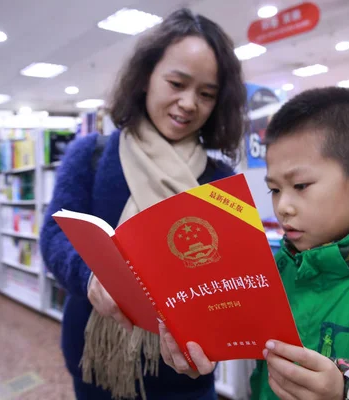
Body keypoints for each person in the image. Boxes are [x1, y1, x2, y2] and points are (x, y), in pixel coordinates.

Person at [160, 87, 349, 399]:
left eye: (300, 185)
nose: (283, 207)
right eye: (275, 189)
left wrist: (348, 392)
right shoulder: (280, 269)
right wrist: (201, 342)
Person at [39, 8, 246, 400]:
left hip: (186, 373)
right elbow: (54, 236)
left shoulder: (220, 181)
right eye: (177, 83)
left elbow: (232, 278)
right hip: (97, 364)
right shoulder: (92, 155)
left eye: (206, 94)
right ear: (146, 77)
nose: (188, 103)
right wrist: (90, 277)